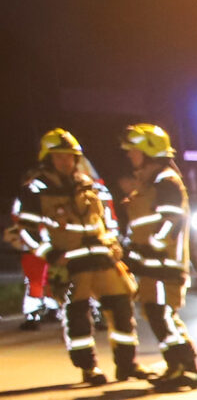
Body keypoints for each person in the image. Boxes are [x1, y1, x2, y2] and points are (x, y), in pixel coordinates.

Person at [25, 130, 138, 384]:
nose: (66, 162)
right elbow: (22, 231)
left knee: (121, 305)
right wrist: (51, 254)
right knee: (78, 316)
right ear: (48, 159)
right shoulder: (36, 189)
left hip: (102, 258)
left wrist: (113, 244)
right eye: (59, 157)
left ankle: (127, 365)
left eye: (70, 157)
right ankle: (89, 369)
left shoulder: (87, 184)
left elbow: (105, 220)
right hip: (71, 264)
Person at [117, 124, 197, 391]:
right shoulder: (150, 183)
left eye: (134, 151)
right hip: (152, 264)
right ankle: (183, 368)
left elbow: (170, 221)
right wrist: (130, 249)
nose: (130, 156)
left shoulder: (165, 182)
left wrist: (152, 246)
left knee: (160, 314)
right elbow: (140, 225)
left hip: (164, 264)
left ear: (149, 152)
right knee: (161, 314)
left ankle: (181, 368)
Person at [7, 165, 58, 330]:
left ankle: (32, 315)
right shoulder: (50, 192)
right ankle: (52, 311)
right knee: (48, 279)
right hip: (50, 244)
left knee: (35, 281)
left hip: (31, 245)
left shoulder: (26, 195)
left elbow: (18, 219)